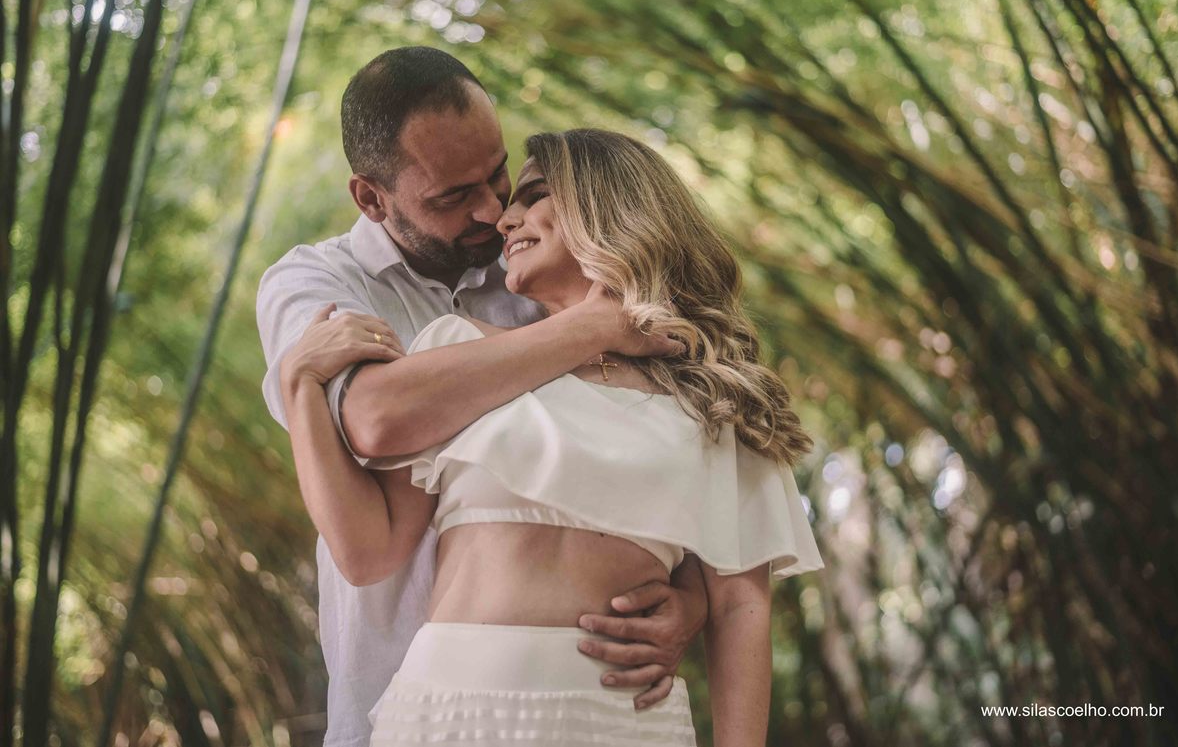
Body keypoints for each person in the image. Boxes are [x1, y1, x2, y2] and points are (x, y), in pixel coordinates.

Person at [279, 128, 824, 746]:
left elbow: (739, 609)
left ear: (608, 205)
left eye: (532, 194)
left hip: (622, 723)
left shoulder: (714, 395)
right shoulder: (456, 351)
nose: (503, 219)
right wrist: (301, 390)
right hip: (450, 716)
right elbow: (366, 551)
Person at [256, 48, 706, 747]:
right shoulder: (315, 283)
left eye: (497, 173)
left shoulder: (540, 259)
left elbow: (671, 448)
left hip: (588, 698)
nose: (493, 210)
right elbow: (377, 418)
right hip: (402, 694)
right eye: (453, 196)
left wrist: (694, 600)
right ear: (372, 198)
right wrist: (593, 326)